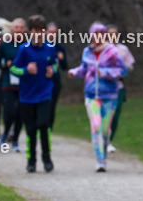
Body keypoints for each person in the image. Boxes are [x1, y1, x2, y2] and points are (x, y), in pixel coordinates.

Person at [68, 22, 125, 172]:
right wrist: (74, 72)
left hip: (109, 94)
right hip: (91, 94)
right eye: (95, 33)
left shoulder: (112, 51)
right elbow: (84, 68)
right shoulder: (87, 51)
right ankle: (100, 160)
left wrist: (105, 73)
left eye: (100, 33)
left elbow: (122, 70)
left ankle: (103, 154)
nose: (97, 36)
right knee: (96, 126)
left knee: (105, 129)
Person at [11, 15, 58, 172]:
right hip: (26, 96)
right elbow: (13, 69)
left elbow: (55, 64)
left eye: (42, 31)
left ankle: (47, 156)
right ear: (30, 32)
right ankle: (31, 160)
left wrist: (52, 71)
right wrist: (26, 70)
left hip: (44, 93)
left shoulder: (50, 48)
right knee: (31, 129)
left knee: (43, 125)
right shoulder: (24, 49)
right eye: (35, 31)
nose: (39, 34)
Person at [0, 17, 25, 153]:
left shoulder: (27, 45)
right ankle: (5, 133)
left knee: (20, 114)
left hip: (24, 84)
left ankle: (15, 140)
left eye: (21, 28)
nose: (18, 30)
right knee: (10, 112)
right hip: (8, 82)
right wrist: (4, 65)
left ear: (24, 30)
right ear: (12, 29)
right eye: (16, 27)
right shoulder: (5, 44)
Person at [106, 23, 135, 152]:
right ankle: (102, 140)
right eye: (110, 34)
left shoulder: (123, 49)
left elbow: (131, 67)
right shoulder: (101, 50)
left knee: (115, 116)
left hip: (119, 87)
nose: (113, 37)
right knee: (105, 116)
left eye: (115, 34)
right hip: (104, 88)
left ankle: (109, 141)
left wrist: (124, 67)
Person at [44, 21, 69, 130]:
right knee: (42, 105)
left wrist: (62, 59)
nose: (52, 35)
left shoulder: (59, 48)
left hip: (55, 81)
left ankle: (49, 129)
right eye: (50, 32)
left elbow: (64, 67)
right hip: (42, 81)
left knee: (52, 107)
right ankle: (40, 128)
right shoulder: (41, 46)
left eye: (54, 33)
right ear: (45, 32)